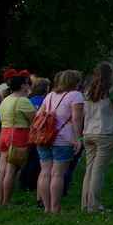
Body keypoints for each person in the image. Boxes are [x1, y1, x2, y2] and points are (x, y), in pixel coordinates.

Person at [35, 70, 84, 214]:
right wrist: (77, 139)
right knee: (57, 174)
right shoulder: (76, 95)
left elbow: (39, 115)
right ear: (75, 82)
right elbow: (76, 119)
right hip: (63, 138)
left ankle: (46, 207)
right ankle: (55, 208)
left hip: (43, 138)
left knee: (44, 172)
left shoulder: (50, 95)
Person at [81, 62, 113, 213]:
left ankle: (85, 203)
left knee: (89, 168)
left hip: (88, 132)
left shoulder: (88, 91)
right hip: (105, 131)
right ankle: (95, 204)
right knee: (98, 170)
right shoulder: (111, 91)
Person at [0, 75, 34, 206]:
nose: (29, 86)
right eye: (27, 83)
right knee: (11, 171)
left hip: (4, 133)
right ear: (23, 85)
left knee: (1, 170)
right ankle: (6, 202)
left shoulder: (5, 100)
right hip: (18, 134)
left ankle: (0, 201)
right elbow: (34, 120)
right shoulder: (23, 101)